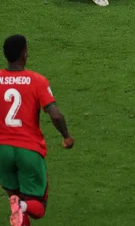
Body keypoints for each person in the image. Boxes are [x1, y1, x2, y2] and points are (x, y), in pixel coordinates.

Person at [0, 35, 74, 226]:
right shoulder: (36, 81)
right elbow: (55, 115)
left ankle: (19, 205)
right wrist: (66, 136)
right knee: (38, 206)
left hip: (2, 151)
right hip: (28, 150)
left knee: (15, 202)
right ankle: (22, 205)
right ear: (24, 54)